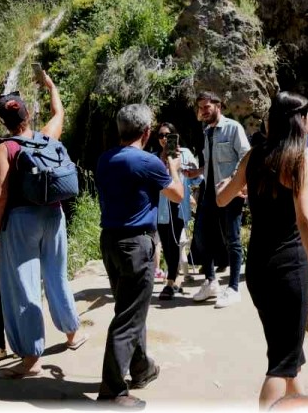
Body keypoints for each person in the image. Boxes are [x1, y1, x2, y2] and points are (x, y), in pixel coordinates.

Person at [215, 91, 308, 409]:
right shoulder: (298, 159)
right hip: (288, 268)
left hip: (257, 268)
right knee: (281, 364)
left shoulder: (253, 156)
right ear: (299, 122)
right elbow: (306, 222)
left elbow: (221, 199)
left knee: (288, 355)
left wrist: (235, 186)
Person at [0, 78, 85, 379]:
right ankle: (73, 335)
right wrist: (51, 86)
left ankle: (31, 359)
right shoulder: (47, 138)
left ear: (3, 121)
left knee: (24, 286)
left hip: (21, 222)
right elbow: (59, 114)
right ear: (28, 115)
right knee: (57, 276)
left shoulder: (4, 147)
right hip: (54, 216)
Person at [94, 104, 186, 406]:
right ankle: (112, 390)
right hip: (136, 244)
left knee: (130, 308)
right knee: (129, 316)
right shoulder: (148, 162)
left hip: (110, 240)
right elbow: (178, 194)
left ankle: (142, 368)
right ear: (147, 133)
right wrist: (172, 166)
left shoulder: (104, 159)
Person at [187, 91, 250, 309]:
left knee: (232, 239)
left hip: (230, 193)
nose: (203, 111)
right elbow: (212, 162)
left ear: (218, 106)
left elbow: (246, 156)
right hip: (209, 193)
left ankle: (233, 288)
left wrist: (235, 181)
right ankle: (211, 281)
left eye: (206, 107)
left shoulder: (233, 128)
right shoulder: (207, 132)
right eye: (200, 108)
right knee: (204, 236)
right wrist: (196, 172)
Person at [153, 122, 200, 300]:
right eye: (161, 136)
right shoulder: (155, 158)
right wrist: (164, 160)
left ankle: (170, 282)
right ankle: (175, 280)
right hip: (161, 207)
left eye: (168, 135)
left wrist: (184, 171)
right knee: (165, 244)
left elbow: (197, 178)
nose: (164, 139)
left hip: (178, 205)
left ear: (175, 136)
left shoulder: (185, 154)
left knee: (173, 243)